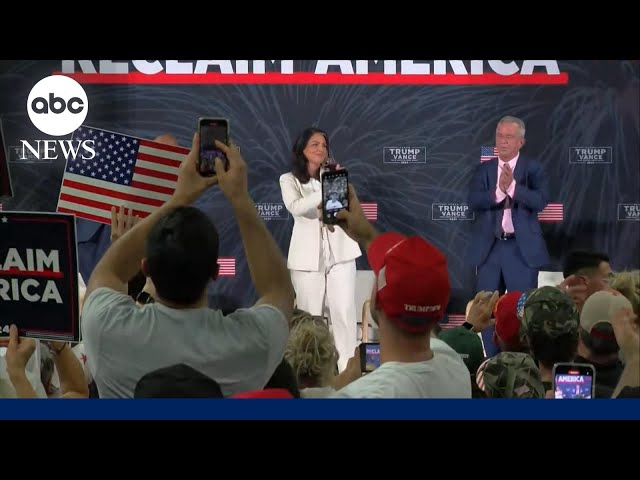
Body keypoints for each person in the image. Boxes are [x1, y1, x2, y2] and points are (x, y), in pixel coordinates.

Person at [466, 116, 550, 356]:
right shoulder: (483, 170)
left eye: (509, 137)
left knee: (520, 310)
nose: (502, 142)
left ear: (521, 142)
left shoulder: (533, 169)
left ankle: (519, 361)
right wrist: (497, 192)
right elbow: (473, 200)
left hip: (520, 251)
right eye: (499, 136)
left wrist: (512, 188)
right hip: (489, 250)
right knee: (485, 309)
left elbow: (540, 200)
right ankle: (489, 360)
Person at [279, 127, 362, 372]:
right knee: (309, 316)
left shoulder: (335, 174)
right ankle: (310, 373)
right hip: (307, 260)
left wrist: (334, 183)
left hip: (341, 253)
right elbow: (296, 207)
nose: (320, 149)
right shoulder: (289, 179)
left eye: (324, 145)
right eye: (314, 144)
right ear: (302, 149)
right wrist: (326, 189)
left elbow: (342, 208)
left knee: (345, 314)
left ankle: (347, 371)